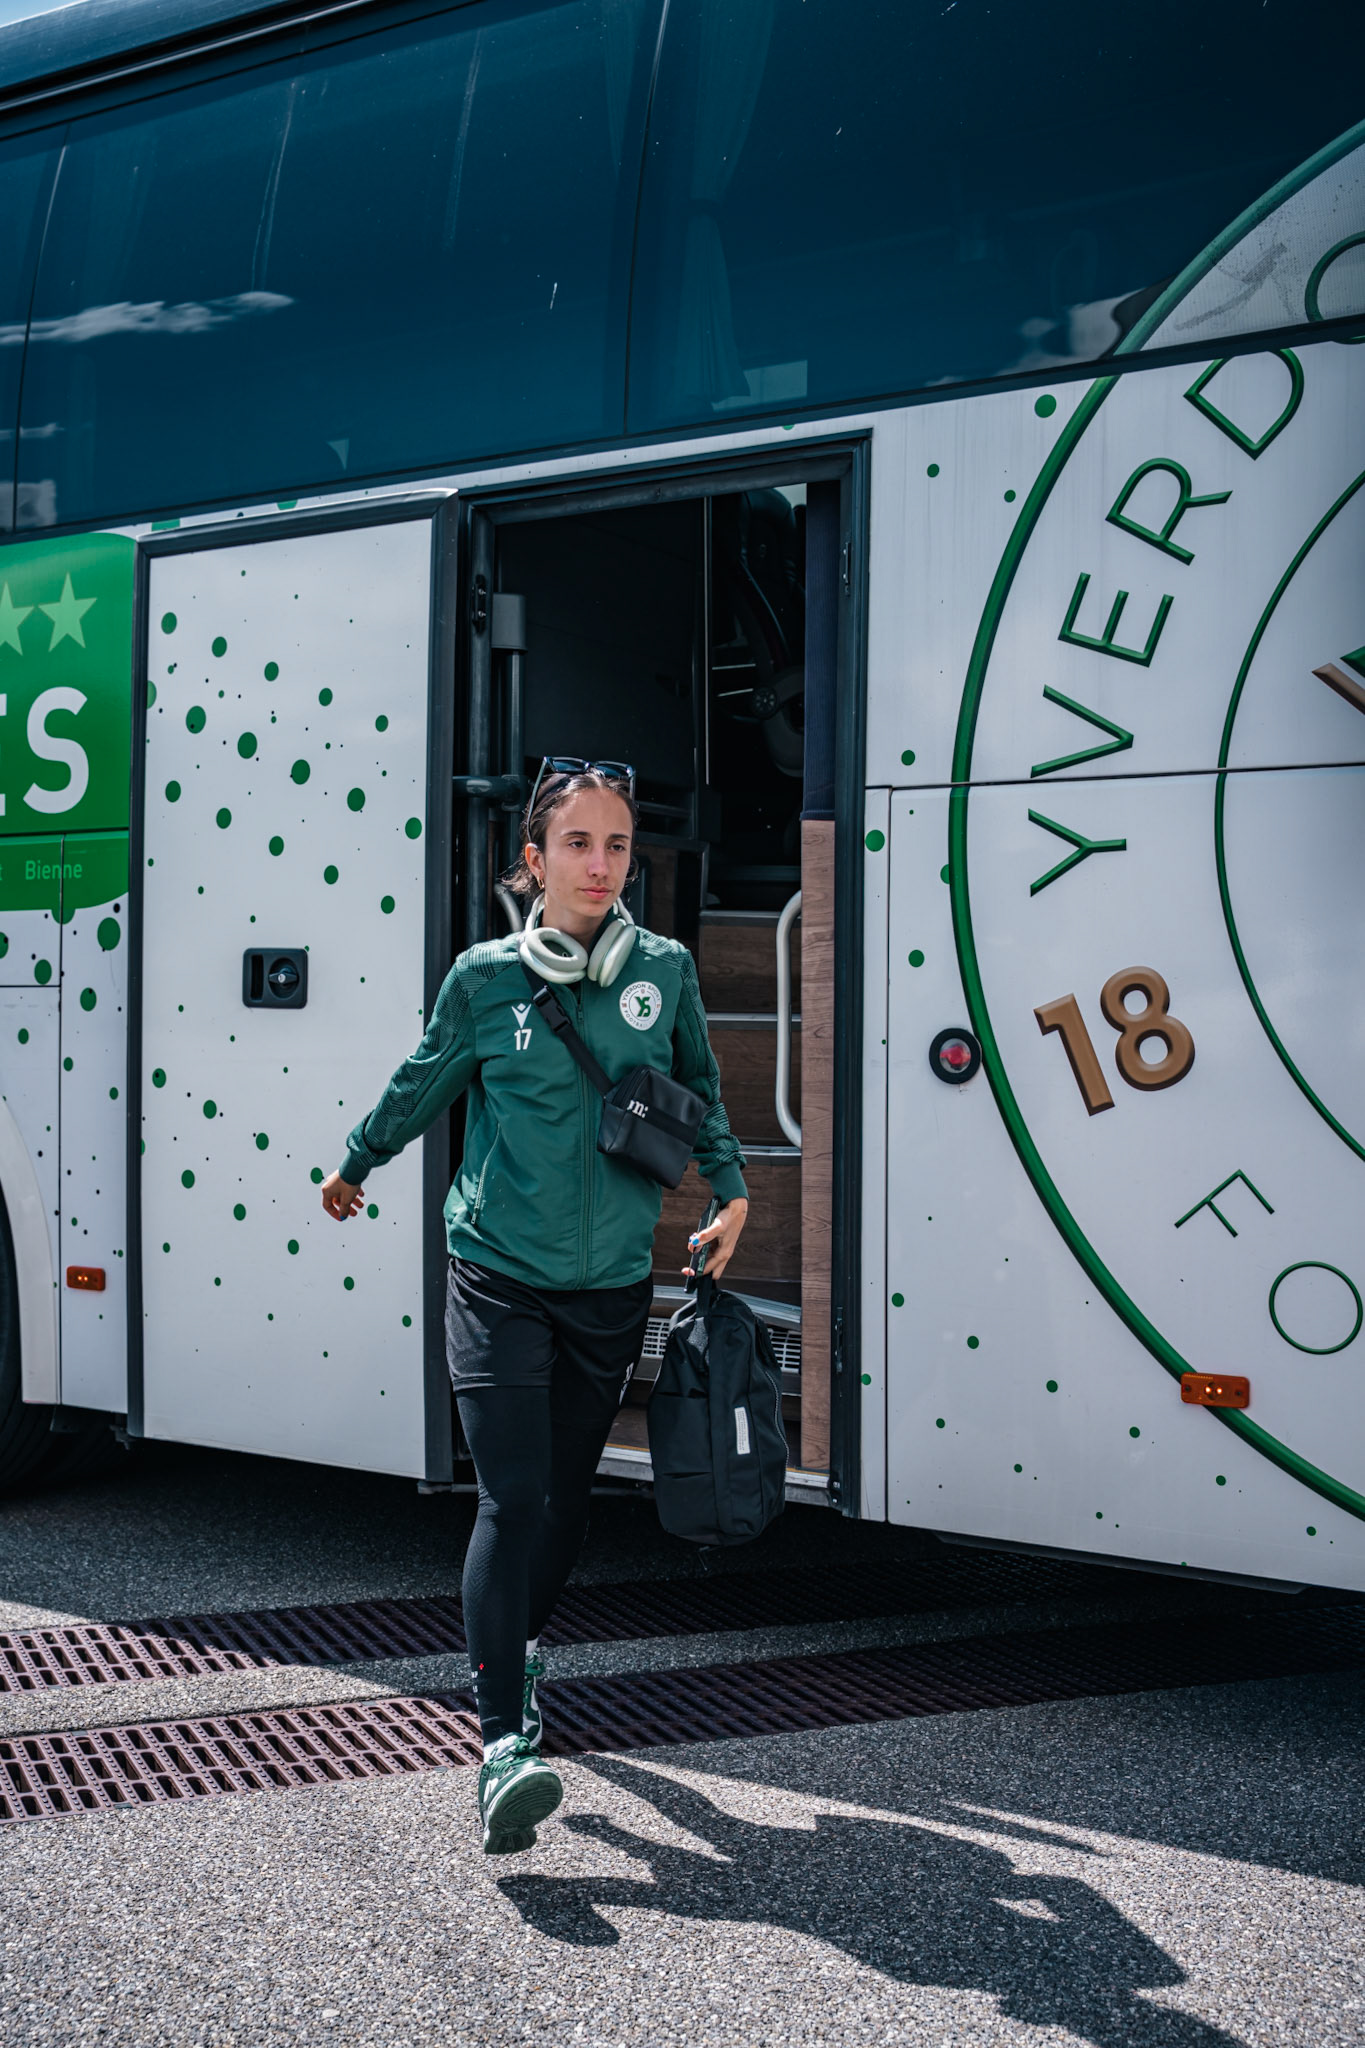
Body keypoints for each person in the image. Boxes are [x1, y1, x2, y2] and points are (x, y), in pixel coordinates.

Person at [320, 762, 749, 1854]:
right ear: (534, 860)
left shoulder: (664, 970)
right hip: (496, 1271)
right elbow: (424, 1078)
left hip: (609, 1284)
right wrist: (359, 1159)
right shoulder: (484, 980)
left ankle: (516, 1646)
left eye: (616, 845)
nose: (601, 865)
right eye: (578, 844)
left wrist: (734, 1190)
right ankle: (504, 1740)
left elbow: (698, 1090)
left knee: (565, 1500)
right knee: (511, 1499)